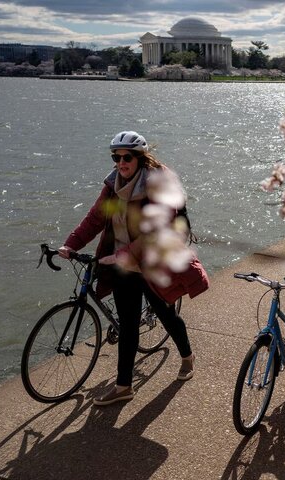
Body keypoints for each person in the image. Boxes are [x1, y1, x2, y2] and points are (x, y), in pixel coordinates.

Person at [58, 131, 209, 406]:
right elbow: (95, 218)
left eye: (127, 157)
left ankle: (187, 356)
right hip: (123, 264)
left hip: (151, 263)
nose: (121, 162)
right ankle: (123, 386)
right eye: (116, 157)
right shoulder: (113, 184)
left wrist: (124, 254)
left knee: (166, 315)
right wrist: (70, 245)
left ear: (140, 157)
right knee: (128, 325)